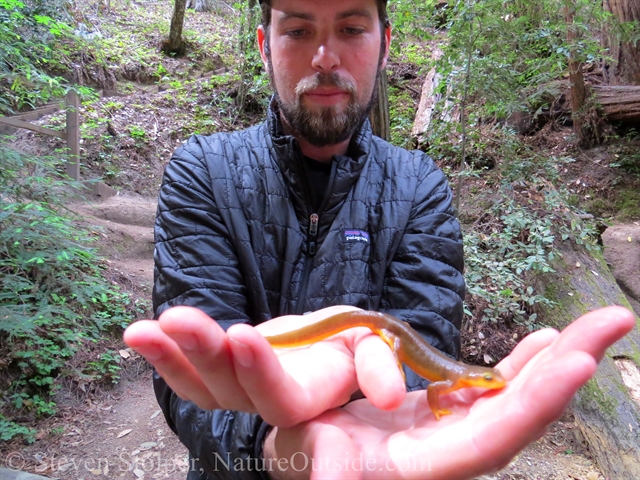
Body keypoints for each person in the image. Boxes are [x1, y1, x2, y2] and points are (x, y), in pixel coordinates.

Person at [123, 0, 636, 479]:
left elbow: (425, 347)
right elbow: (190, 383)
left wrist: (375, 431)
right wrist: (277, 446)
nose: (325, 57)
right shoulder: (201, 171)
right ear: (264, 46)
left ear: (385, 44)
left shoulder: (420, 185)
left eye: (350, 29)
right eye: (299, 31)